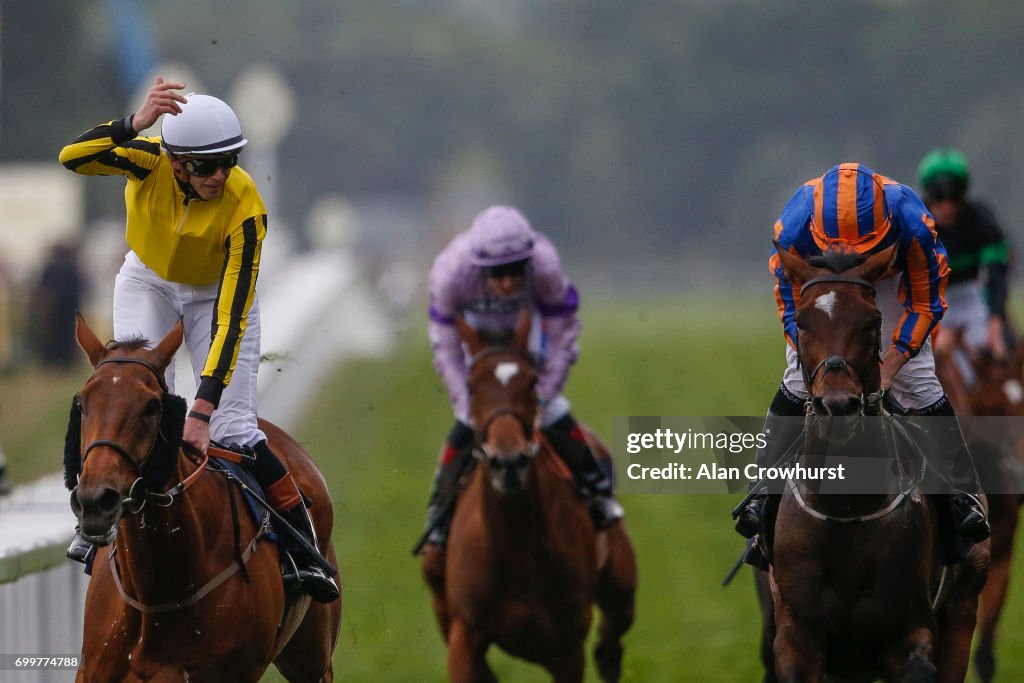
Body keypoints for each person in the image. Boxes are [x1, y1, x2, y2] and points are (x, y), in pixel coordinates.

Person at [58, 76, 338, 603]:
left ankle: (304, 551)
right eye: (207, 165)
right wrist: (134, 124)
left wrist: (203, 408)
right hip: (148, 281)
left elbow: (232, 317)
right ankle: (89, 517)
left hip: (216, 299)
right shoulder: (147, 157)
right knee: (120, 389)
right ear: (176, 161)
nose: (220, 175)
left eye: (230, 161)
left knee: (235, 430)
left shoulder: (246, 208)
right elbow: (73, 157)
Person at [733, 163, 990, 564]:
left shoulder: (912, 222)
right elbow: (788, 303)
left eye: (863, 244)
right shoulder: (794, 225)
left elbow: (925, 303)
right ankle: (760, 491)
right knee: (797, 383)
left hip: (888, 283)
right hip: (818, 284)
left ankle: (963, 495)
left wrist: (890, 366)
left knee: (920, 383)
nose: (852, 253)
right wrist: (811, 359)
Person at [419, 205, 623, 549]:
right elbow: (446, 348)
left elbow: (563, 335)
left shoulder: (545, 265)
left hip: (528, 336)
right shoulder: (449, 273)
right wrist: (466, 402)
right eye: (497, 274)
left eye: (516, 271)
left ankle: (597, 491)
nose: (509, 282)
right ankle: (438, 511)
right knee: (467, 421)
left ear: (529, 261)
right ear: (478, 267)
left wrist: (545, 389)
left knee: (554, 410)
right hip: (477, 342)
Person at [918, 148, 1012, 369]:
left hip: (971, 296)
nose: (947, 206)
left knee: (997, 355)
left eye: (954, 197)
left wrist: (996, 323)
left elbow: (997, 275)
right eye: (939, 197)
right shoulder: (915, 223)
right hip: (929, 298)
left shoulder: (982, 222)